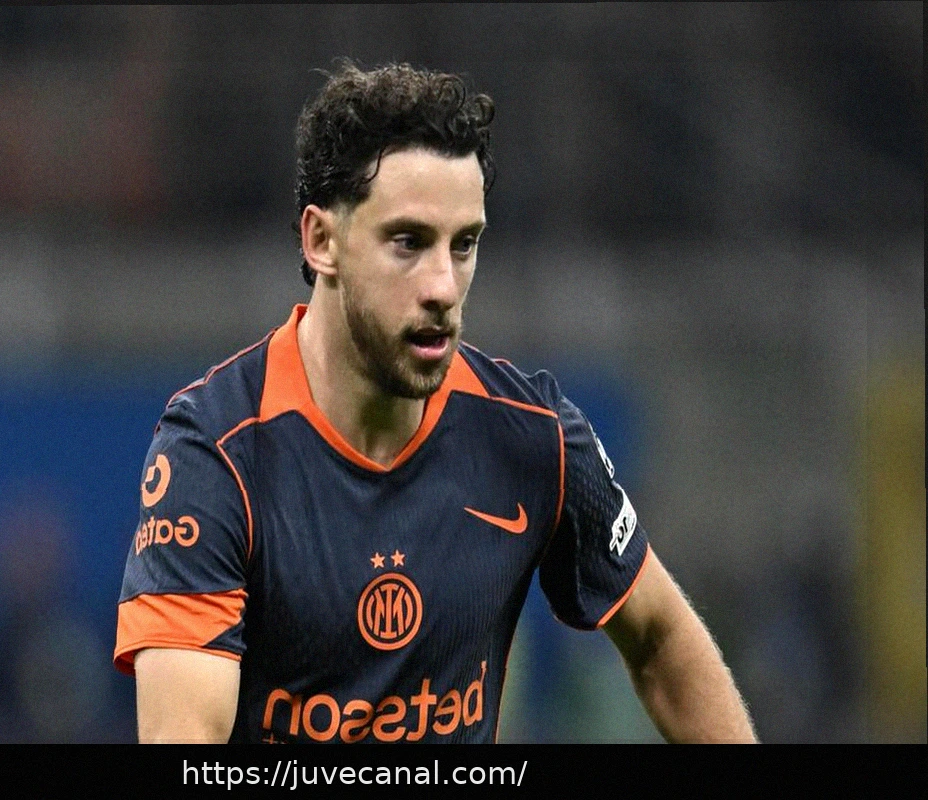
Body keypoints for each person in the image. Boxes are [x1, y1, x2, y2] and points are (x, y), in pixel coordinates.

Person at [113, 61, 757, 744]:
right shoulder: (215, 453)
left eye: (464, 244)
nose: (444, 287)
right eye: (409, 243)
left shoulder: (533, 436)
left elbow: (661, 639)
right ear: (321, 241)